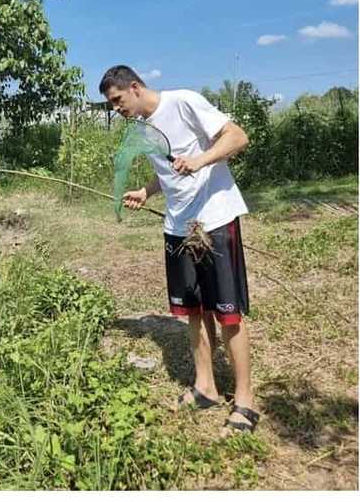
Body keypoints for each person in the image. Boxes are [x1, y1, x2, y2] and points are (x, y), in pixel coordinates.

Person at [100, 65, 259, 436]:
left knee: (228, 313)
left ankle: (246, 402)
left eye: (118, 100)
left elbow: (237, 137)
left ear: (135, 88)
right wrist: (146, 191)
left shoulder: (184, 102)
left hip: (214, 221)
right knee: (194, 311)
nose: (117, 109)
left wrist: (201, 160)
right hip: (177, 228)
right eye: (112, 104)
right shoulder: (142, 128)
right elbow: (167, 170)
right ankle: (205, 387)